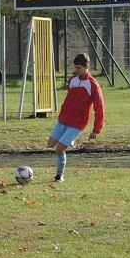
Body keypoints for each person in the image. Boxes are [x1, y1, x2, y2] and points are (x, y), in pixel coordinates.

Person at [47, 53, 105, 182]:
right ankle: (69, 141)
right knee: (50, 144)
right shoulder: (72, 80)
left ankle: (59, 176)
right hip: (64, 120)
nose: (76, 70)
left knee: (59, 148)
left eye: (79, 68)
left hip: (77, 124)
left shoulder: (93, 85)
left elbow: (99, 108)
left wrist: (96, 129)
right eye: (75, 67)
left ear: (87, 66)